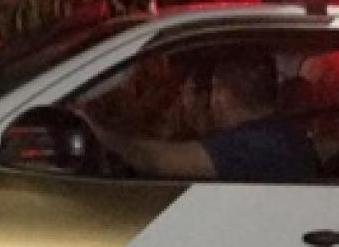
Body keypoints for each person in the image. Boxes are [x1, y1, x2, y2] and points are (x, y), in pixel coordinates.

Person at [82, 54, 319, 183]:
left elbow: (157, 161)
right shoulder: (278, 135)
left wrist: (99, 133)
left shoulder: (256, 144)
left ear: (221, 94)